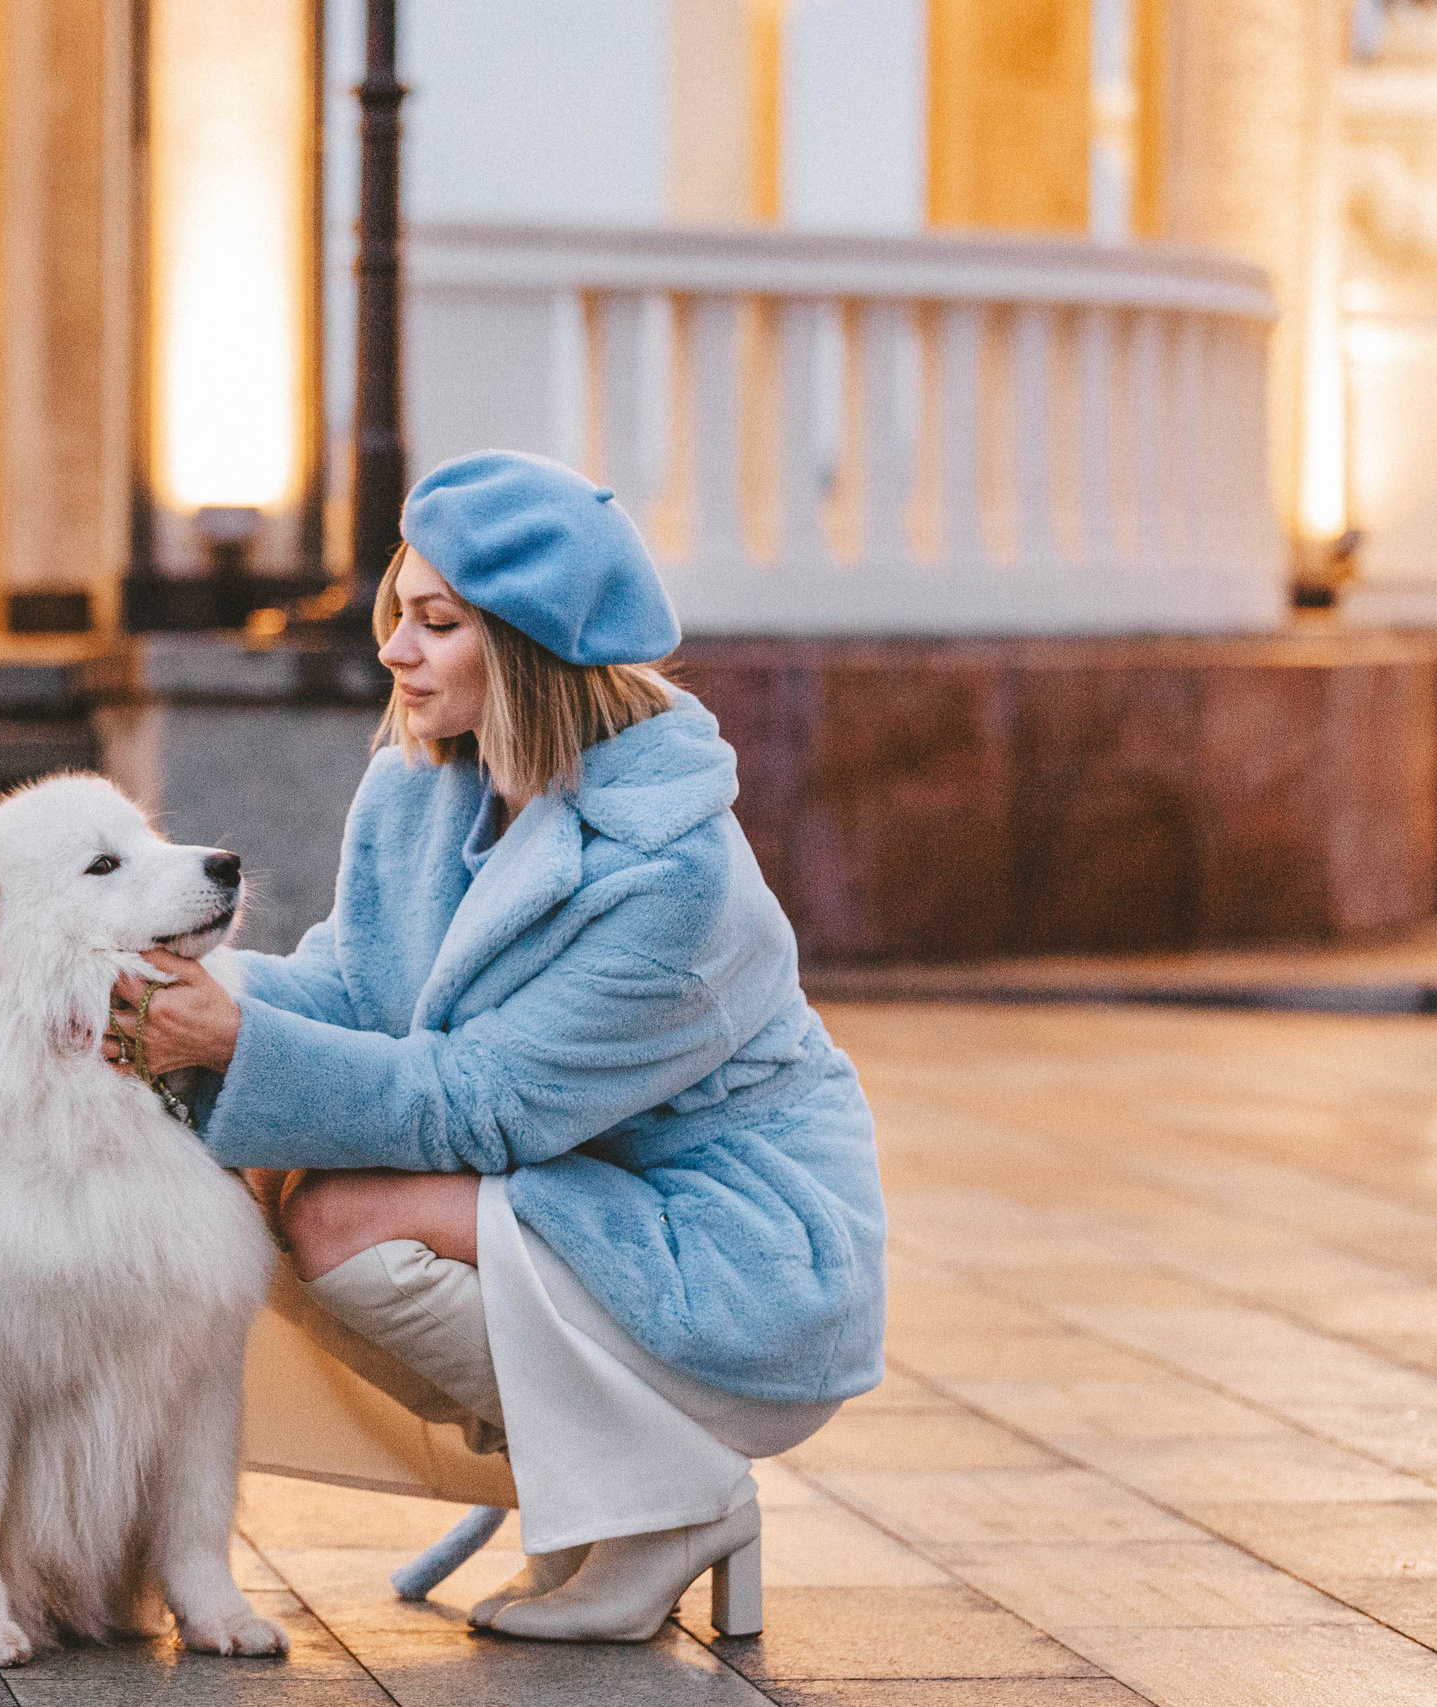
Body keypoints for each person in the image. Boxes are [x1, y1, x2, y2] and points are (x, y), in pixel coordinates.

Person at [102, 450, 886, 1643]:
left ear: (520, 644)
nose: (392, 652)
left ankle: (668, 1503)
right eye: (394, 617)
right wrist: (181, 989)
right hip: (586, 1194)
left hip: (738, 1252)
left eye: (434, 623)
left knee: (333, 1214)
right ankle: (611, 1496)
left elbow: (485, 1107)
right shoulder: (425, 782)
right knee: (239, 1181)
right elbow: (358, 988)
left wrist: (232, 1042)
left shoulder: (670, 873)